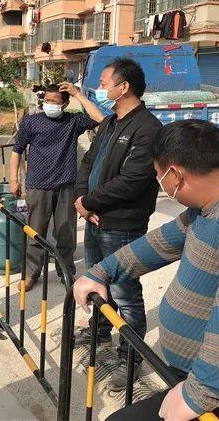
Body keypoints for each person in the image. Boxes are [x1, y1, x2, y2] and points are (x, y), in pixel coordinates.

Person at [74, 120, 219, 420]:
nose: (161, 184)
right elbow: (161, 242)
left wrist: (199, 394)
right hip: (204, 376)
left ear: (176, 174)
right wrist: (102, 271)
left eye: (158, 176)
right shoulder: (215, 204)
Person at [73, 58, 162, 391]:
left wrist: (90, 202)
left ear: (124, 87)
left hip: (122, 224)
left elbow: (133, 180)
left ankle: (130, 357)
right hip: (94, 217)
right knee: (98, 281)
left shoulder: (148, 128)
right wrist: (81, 199)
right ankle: (98, 332)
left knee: (125, 293)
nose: (100, 88)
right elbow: (88, 161)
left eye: (104, 82)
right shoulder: (110, 122)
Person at [10, 82, 104, 290]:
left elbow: (101, 119)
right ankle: (32, 273)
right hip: (38, 186)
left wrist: (78, 94)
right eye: (47, 100)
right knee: (35, 233)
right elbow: (17, 150)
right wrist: (14, 180)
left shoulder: (73, 121)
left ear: (65, 104)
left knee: (66, 234)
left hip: (66, 187)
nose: (49, 104)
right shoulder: (31, 122)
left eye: (55, 101)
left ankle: (66, 272)